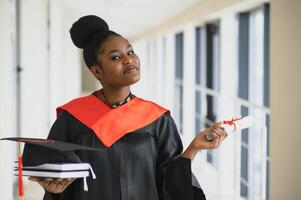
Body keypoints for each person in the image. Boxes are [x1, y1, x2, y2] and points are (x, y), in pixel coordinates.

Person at [28, 15, 227, 200]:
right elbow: (56, 173)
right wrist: (52, 188)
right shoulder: (72, 118)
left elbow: (170, 177)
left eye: (130, 52)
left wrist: (195, 147)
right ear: (97, 71)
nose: (129, 60)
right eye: (115, 57)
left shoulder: (157, 119)